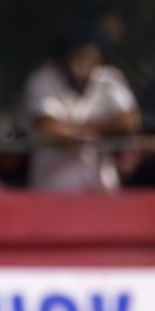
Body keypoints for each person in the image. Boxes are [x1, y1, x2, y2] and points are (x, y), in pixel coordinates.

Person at [25, 33, 141, 192]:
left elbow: (130, 121)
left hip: (101, 185)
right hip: (54, 184)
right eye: (78, 55)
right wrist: (102, 129)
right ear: (65, 58)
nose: (84, 62)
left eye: (89, 55)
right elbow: (48, 129)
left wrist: (77, 130)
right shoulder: (43, 80)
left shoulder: (109, 78)